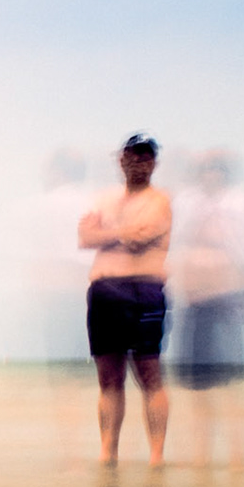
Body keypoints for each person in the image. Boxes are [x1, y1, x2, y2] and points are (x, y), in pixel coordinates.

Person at [170, 149, 244, 468]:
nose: (208, 173)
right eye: (203, 168)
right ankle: (202, 460)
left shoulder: (243, 206)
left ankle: (237, 460)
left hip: (228, 303)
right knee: (198, 387)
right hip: (194, 305)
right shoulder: (190, 204)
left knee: (231, 386)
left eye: (215, 168)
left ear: (226, 172)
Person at [78, 133, 171, 467]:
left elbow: (140, 239)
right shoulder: (104, 198)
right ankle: (108, 454)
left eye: (146, 157)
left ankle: (156, 456)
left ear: (154, 162)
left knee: (149, 373)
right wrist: (119, 233)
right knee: (108, 378)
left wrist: (107, 234)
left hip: (143, 290)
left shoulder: (160, 200)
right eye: (133, 156)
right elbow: (85, 237)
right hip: (104, 292)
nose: (139, 162)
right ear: (122, 159)